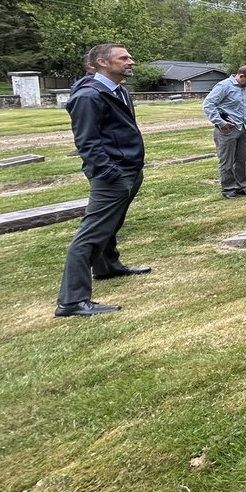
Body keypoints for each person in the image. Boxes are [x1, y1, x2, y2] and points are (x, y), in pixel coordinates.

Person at [55, 43, 151, 317]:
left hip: (129, 169)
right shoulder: (89, 96)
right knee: (91, 233)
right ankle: (72, 301)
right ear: (102, 62)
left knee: (112, 224)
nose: (131, 61)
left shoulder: (119, 91)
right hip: (112, 174)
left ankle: (107, 266)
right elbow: (87, 142)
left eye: (130, 56)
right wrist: (110, 173)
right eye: (124, 58)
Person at [203, 65, 246, 198]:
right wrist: (220, 122)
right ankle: (228, 189)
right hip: (227, 129)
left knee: (241, 160)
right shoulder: (224, 86)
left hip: (243, 127)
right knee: (227, 162)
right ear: (241, 76)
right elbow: (208, 104)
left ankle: (240, 187)